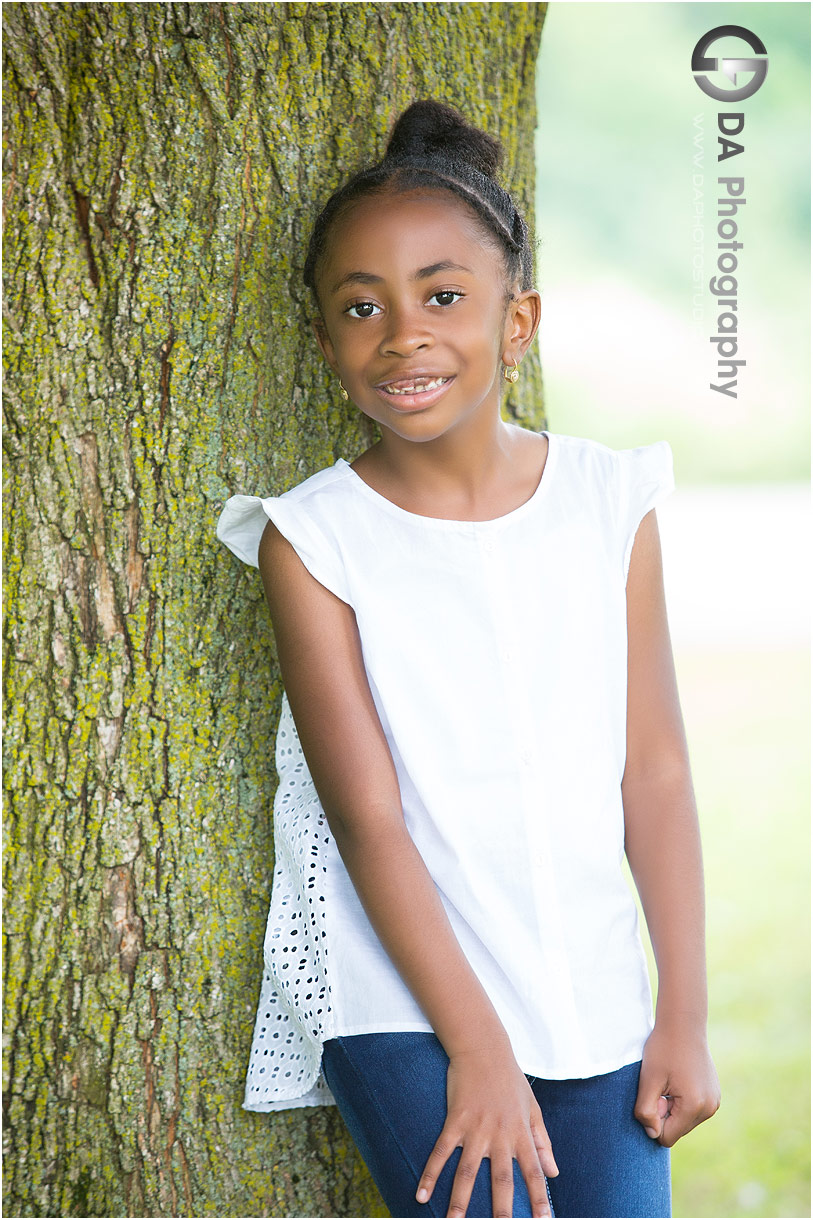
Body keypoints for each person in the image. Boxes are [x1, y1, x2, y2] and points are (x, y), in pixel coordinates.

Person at [217, 99, 720, 1219]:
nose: (403, 333)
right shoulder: (313, 537)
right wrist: (479, 1048)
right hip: (404, 991)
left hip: (590, 985)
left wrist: (681, 1011)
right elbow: (370, 821)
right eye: (362, 306)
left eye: (443, 296)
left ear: (517, 321)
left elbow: (658, 770)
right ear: (325, 337)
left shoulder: (607, 498)